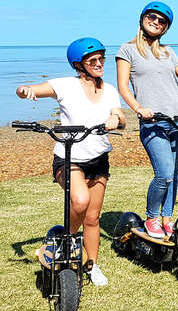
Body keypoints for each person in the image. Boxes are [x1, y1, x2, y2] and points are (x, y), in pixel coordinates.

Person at [16, 38, 126, 286]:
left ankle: (92, 266)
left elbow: (121, 117)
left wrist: (115, 117)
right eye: (93, 60)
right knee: (80, 200)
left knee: (93, 218)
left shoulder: (109, 90)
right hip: (69, 158)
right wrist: (26, 91)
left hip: (99, 159)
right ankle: (67, 240)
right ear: (79, 65)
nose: (99, 64)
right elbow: (26, 89)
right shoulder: (65, 85)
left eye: (101, 59)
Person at [116, 2, 178, 239]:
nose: (156, 22)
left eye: (162, 21)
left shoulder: (168, 52)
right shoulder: (127, 50)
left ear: (165, 28)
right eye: (152, 17)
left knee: (174, 174)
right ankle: (152, 217)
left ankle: (167, 219)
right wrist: (138, 108)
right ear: (143, 18)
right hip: (154, 123)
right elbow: (123, 87)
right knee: (163, 174)